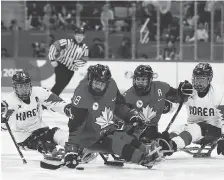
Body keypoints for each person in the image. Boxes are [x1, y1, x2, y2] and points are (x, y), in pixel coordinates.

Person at [62, 64, 164, 169]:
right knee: (117, 143)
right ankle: (143, 159)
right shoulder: (81, 96)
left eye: (102, 84)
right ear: (89, 80)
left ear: (107, 82)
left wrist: (132, 115)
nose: (99, 87)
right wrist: (71, 150)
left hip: (106, 130)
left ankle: (147, 150)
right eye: (96, 83)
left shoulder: (112, 85)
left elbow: (119, 105)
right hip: (89, 138)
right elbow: (75, 127)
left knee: (125, 137)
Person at [1, 70, 90, 161]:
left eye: (26, 85)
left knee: (61, 135)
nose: (24, 89)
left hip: (41, 130)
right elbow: (4, 127)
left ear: (30, 85)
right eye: (20, 86)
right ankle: (54, 152)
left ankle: (77, 150)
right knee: (45, 144)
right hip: (25, 138)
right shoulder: (9, 102)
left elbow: (56, 103)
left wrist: (69, 109)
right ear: (15, 87)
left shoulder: (38, 92)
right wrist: (2, 119)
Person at [122, 65, 192, 156]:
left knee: (166, 145)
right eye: (137, 79)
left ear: (150, 80)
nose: (139, 83)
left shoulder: (160, 87)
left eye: (143, 80)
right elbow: (120, 113)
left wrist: (183, 92)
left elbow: (177, 97)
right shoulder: (128, 96)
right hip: (134, 131)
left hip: (152, 130)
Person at [169, 63, 224, 155]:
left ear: (209, 79)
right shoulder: (190, 90)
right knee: (178, 130)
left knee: (195, 128)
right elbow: (173, 106)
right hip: (193, 128)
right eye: (196, 79)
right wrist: (177, 95)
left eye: (202, 80)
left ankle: (173, 145)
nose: (198, 83)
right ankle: (165, 142)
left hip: (213, 131)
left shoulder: (218, 93)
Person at [48, 27, 89, 96]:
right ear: (74, 35)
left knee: (60, 86)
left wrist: (73, 61)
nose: (79, 37)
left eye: (81, 35)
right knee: (60, 84)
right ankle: (48, 99)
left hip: (71, 70)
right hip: (61, 66)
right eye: (78, 35)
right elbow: (54, 45)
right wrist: (52, 59)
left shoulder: (85, 48)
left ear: (84, 36)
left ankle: (50, 99)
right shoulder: (67, 42)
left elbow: (84, 61)